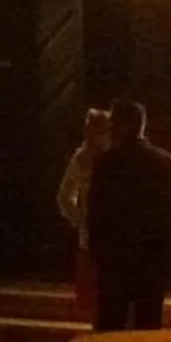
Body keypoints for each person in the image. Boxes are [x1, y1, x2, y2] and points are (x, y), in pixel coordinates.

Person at [85, 99, 171, 331]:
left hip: (115, 257)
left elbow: (97, 211)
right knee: (148, 325)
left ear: (123, 125)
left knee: (110, 324)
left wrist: (96, 252)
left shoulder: (107, 163)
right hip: (152, 258)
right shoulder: (167, 163)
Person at [54, 106, 111, 325]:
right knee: (94, 294)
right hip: (92, 238)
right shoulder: (82, 159)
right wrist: (82, 220)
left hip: (113, 236)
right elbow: (64, 196)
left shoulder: (116, 157)